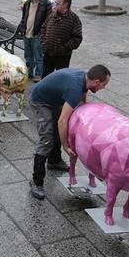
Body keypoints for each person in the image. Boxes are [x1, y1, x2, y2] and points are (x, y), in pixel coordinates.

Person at [29, 64, 111, 200]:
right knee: (47, 139)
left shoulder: (84, 79)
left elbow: (83, 95)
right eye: (104, 84)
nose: (104, 87)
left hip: (53, 99)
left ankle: (54, 161)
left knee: (57, 130)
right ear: (96, 82)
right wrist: (66, 145)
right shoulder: (74, 90)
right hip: (40, 101)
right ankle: (36, 182)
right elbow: (62, 121)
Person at [39, 0, 83, 76]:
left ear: (66, 4)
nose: (55, 5)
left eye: (58, 3)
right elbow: (43, 28)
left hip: (62, 56)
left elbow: (77, 38)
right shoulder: (52, 15)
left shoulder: (74, 19)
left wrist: (65, 47)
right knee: (45, 77)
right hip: (48, 53)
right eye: (55, 2)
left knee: (61, 77)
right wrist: (44, 43)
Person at [18, 0, 50, 81]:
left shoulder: (46, 4)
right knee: (28, 56)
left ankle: (39, 74)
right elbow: (24, 17)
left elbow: (48, 21)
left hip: (37, 35)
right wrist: (22, 29)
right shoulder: (27, 3)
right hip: (27, 33)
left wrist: (42, 34)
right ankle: (29, 72)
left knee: (38, 56)